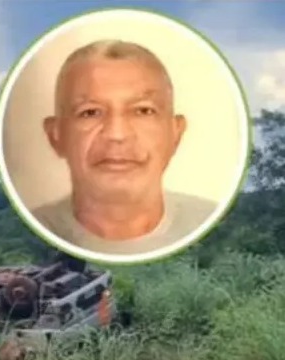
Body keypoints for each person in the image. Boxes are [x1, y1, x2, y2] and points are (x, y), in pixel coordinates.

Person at [32, 39, 218, 256]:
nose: (117, 134)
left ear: (175, 133)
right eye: (90, 112)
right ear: (56, 136)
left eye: (143, 111)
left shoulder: (213, 224)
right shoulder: (35, 233)